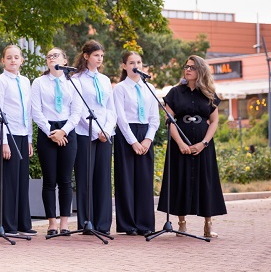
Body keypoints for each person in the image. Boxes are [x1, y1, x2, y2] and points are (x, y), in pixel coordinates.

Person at [158, 55, 227, 238]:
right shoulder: (175, 92)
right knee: (180, 180)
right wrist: (180, 143)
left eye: (192, 67)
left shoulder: (209, 94)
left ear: (200, 71)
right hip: (179, 144)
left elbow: (214, 121)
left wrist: (203, 143)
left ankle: (208, 225)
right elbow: (169, 120)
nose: (187, 70)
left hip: (203, 145)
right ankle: (181, 224)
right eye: (186, 66)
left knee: (206, 181)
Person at [30, 48, 82, 236]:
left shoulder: (73, 83)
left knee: (66, 180)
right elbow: (36, 111)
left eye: (56, 55)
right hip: (47, 131)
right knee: (50, 180)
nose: (52, 58)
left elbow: (77, 112)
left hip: (68, 131)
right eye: (49, 56)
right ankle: (52, 223)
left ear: (65, 60)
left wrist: (63, 131)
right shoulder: (39, 82)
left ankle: (64, 224)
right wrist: (52, 132)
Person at [113, 51, 160, 236]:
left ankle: (145, 223)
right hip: (127, 134)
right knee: (126, 179)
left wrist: (148, 139)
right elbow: (120, 117)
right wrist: (133, 142)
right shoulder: (120, 88)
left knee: (144, 180)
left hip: (145, 132)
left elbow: (154, 117)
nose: (136, 66)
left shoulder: (150, 88)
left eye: (139, 62)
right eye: (132, 62)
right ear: (124, 66)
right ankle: (128, 224)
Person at [72, 40, 116, 234]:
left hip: (105, 134)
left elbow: (110, 108)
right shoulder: (76, 79)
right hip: (85, 133)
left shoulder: (105, 80)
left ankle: (103, 224)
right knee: (85, 178)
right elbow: (78, 108)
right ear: (86, 56)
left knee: (103, 179)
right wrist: (95, 131)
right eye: (96, 55)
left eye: (101, 56)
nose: (100, 59)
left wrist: (106, 129)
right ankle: (87, 223)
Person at [0, 44, 35, 236]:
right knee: (8, 181)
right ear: (3, 60)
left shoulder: (25, 81)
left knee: (21, 181)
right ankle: (6, 224)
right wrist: (4, 141)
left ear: (21, 60)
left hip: (23, 134)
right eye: (9, 57)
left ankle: (22, 223)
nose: (13, 60)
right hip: (8, 134)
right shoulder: (0, 82)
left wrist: (30, 138)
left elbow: (29, 112)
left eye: (16, 57)